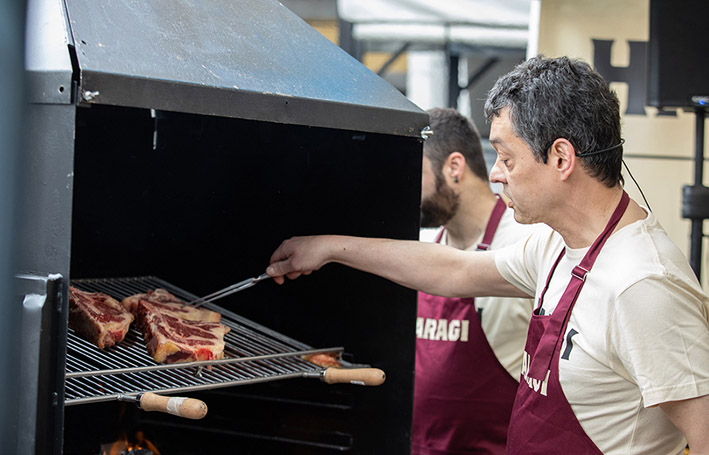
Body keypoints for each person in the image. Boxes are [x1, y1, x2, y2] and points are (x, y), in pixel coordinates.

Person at [265, 56, 709, 454]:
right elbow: (455, 269)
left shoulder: (643, 283)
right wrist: (329, 248)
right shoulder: (558, 244)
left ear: (560, 158)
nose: (495, 174)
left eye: (505, 157)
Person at [414, 107, 535, 455]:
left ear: (454, 167)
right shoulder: (425, 249)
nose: (405, 186)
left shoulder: (525, 244)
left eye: (415, 172)